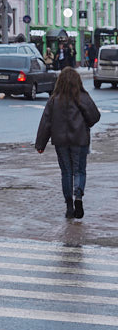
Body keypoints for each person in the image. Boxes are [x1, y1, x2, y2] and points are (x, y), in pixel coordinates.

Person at [35, 67, 101, 219]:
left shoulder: (54, 99)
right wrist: (85, 125)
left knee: (66, 172)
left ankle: (69, 205)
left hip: (60, 141)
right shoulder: (82, 96)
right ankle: (78, 197)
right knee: (79, 170)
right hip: (80, 140)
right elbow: (95, 116)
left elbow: (46, 123)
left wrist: (40, 145)